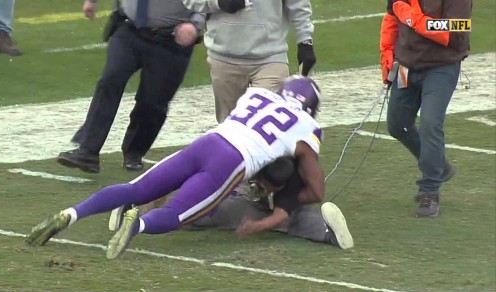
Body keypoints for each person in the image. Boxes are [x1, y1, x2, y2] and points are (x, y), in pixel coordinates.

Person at [26, 76, 326, 259]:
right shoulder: (307, 127)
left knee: (136, 189)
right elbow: (316, 189)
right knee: (178, 214)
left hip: (208, 142)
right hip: (232, 161)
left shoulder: (257, 94)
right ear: (311, 107)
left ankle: (71, 213)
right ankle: (138, 226)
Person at [57, 0, 206, 173]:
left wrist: (195, 25)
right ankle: (88, 150)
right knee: (110, 80)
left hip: (171, 39)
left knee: (153, 101)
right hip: (129, 28)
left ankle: (134, 151)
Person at [380, 0, 472, 217]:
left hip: (441, 66)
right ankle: (439, 165)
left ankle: (429, 191)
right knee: (397, 124)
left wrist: (412, 18)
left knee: (431, 123)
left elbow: (453, 31)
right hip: (407, 65)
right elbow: (392, 17)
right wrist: (386, 53)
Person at [182, 0, 317, 123]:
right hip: (224, 57)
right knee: (230, 130)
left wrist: (305, 41)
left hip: (271, 56)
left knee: (270, 124)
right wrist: (219, 3)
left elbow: (298, 3)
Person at [182, 156, 354, 249]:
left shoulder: (292, 181)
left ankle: (331, 236)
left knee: (299, 218)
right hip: (248, 192)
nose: (271, 190)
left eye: (274, 188)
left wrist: (257, 226)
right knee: (215, 208)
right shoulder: (252, 157)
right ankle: (177, 214)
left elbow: (279, 215)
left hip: (276, 207)